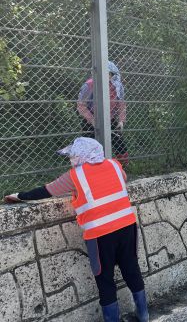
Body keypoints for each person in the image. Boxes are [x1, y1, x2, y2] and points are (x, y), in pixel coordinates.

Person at [4, 137, 148, 322]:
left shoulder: (75, 176)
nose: (71, 159)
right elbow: (122, 180)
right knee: (131, 269)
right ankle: (144, 316)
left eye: (74, 156)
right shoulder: (114, 165)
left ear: (83, 156)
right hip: (127, 227)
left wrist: (19, 196)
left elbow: (46, 191)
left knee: (104, 279)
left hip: (100, 235)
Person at [78, 61, 129, 166]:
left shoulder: (116, 86)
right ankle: (88, 169)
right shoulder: (89, 85)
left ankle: (122, 167)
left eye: (108, 74)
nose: (106, 76)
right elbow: (81, 105)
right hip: (90, 119)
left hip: (109, 119)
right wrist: (92, 120)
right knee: (89, 145)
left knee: (119, 143)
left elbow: (121, 104)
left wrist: (121, 120)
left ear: (112, 75)